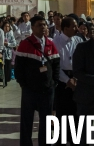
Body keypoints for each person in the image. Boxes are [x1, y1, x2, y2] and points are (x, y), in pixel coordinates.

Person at [15, 16, 60, 146]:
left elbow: (56, 64)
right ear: (33, 27)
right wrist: (23, 84)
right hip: (30, 89)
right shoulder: (25, 44)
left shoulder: (50, 44)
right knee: (27, 120)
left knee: (46, 120)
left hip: (47, 89)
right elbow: (19, 67)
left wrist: (54, 82)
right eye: (40, 25)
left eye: (45, 25)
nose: (43, 27)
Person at [53, 16, 81, 140]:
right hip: (62, 80)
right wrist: (67, 80)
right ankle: (61, 139)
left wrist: (76, 78)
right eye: (73, 26)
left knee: (76, 111)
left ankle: (74, 138)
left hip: (77, 78)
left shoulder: (78, 41)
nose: (76, 28)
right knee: (63, 110)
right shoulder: (56, 42)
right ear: (65, 28)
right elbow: (55, 65)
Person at [1, 21, 17, 85]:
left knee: (8, 66)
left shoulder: (11, 34)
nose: (7, 28)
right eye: (5, 26)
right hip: (1, 52)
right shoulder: (1, 33)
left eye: (8, 26)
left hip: (8, 53)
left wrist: (7, 44)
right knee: (1, 66)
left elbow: (14, 43)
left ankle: (7, 79)